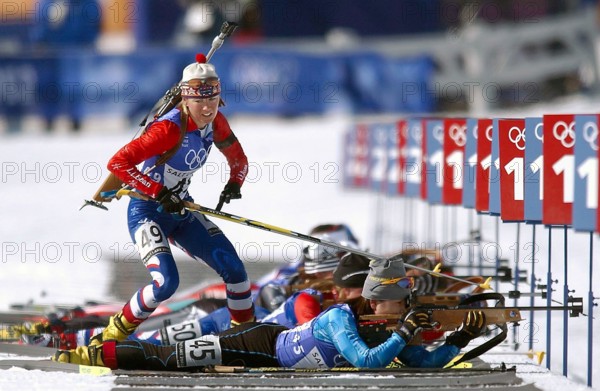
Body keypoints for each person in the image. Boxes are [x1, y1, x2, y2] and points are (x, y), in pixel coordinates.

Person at [56, 54, 255, 362]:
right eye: (201, 101)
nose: (208, 108)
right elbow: (118, 163)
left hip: (179, 212)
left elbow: (238, 157)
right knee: (166, 284)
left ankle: (247, 336)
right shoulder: (167, 130)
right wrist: (156, 190)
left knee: (236, 272)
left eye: (213, 99)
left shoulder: (215, 121)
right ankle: (111, 334)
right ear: (186, 100)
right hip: (146, 211)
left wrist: (235, 183)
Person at [53, 258, 486, 370]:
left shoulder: (387, 328)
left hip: (271, 349)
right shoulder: (341, 317)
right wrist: (405, 331)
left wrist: (457, 342)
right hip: (259, 343)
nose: (373, 305)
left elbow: (422, 362)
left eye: (384, 300)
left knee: (173, 349)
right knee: (170, 354)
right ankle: (94, 353)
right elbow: (365, 360)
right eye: (372, 298)